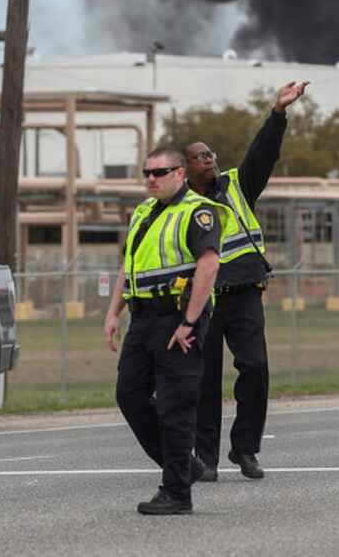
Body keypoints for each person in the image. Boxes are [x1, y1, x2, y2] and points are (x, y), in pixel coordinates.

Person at [188, 80, 309, 482]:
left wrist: (278, 113)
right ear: (187, 169)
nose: (211, 159)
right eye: (202, 157)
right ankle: (204, 458)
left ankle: (245, 448)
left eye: (212, 154)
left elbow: (263, 154)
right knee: (205, 380)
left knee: (255, 368)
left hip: (244, 295)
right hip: (203, 301)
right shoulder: (181, 205)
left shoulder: (238, 185)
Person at [104, 147, 227, 515]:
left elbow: (209, 265)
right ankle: (185, 467)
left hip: (178, 320)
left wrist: (189, 322)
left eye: (161, 172)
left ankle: (177, 492)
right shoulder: (143, 212)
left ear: (180, 174)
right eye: (148, 172)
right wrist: (113, 312)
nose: (152, 179)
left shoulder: (197, 212)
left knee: (175, 407)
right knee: (129, 394)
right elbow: (129, 267)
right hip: (142, 319)